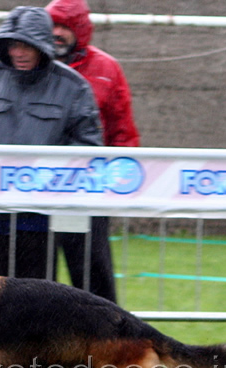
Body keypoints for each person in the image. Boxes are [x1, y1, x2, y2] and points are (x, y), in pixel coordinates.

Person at [0, 6, 102, 281]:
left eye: (26, 46)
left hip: (39, 222)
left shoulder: (73, 87)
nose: (18, 53)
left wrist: (47, 178)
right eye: (13, 45)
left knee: (36, 309)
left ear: (42, 46)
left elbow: (87, 148)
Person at [46, 0, 140, 303]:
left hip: (87, 192)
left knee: (92, 277)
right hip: (34, 188)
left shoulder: (106, 69)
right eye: (52, 25)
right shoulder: (31, 62)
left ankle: (108, 344)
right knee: (35, 282)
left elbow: (122, 130)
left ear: (81, 30)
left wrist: (119, 184)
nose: (57, 33)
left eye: (65, 27)